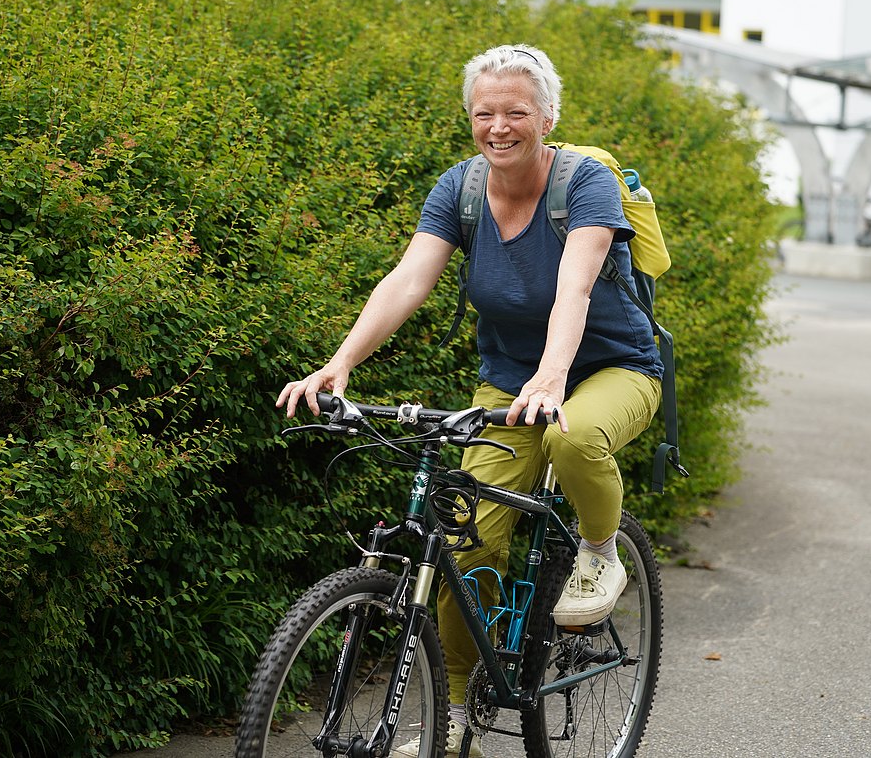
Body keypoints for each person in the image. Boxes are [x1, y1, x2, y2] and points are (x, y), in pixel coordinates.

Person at [276, 43, 663, 758]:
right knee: (468, 537)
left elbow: (574, 287)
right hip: (511, 382)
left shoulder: (585, 185)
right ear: (470, 118)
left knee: (572, 438)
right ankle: (453, 713)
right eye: (485, 113)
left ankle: (600, 552)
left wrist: (552, 378)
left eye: (516, 111)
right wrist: (339, 363)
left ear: (547, 116)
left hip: (613, 369)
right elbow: (407, 281)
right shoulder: (458, 190)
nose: (499, 126)